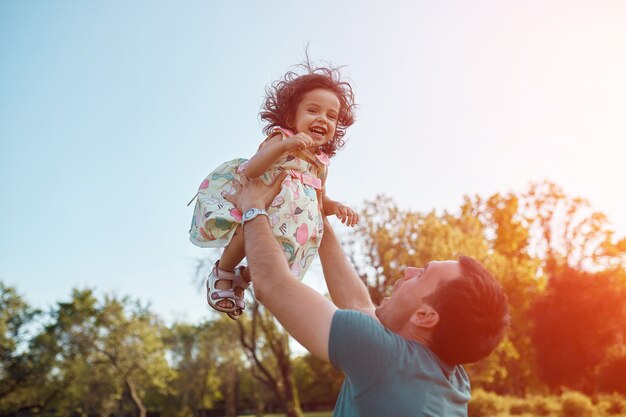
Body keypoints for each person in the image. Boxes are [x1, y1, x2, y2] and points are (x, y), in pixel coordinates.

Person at [228, 174, 510, 417]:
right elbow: (358, 304)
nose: (408, 270)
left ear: (425, 316)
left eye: (422, 274)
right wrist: (316, 212)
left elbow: (274, 286)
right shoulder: (453, 378)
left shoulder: (384, 359)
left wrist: (253, 206)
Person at [188, 62, 359, 319]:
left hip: (291, 223)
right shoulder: (281, 138)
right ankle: (222, 272)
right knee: (250, 231)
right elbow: (253, 170)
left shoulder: (321, 162)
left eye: (331, 116)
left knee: (274, 260)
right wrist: (285, 146)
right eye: (313, 110)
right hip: (263, 205)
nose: (323, 119)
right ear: (291, 116)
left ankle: (242, 279)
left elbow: (320, 199)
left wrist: (337, 207)